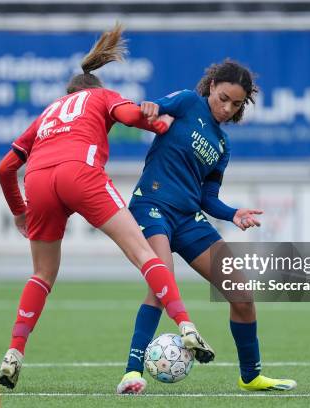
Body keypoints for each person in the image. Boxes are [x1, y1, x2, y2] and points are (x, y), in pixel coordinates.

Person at [0, 24, 215, 390]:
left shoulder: (48, 113)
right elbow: (131, 117)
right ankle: (187, 327)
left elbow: (5, 168)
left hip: (37, 180)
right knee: (144, 254)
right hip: (79, 172)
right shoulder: (100, 97)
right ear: (93, 89)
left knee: (42, 275)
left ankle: (13, 352)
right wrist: (161, 127)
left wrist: (20, 210)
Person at [116, 60, 297, 394]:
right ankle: (131, 373)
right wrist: (151, 108)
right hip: (151, 205)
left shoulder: (222, 147)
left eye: (236, 104)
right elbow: (148, 112)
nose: (227, 108)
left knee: (241, 294)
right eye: (223, 98)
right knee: (162, 282)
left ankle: (251, 376)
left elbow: (207, 198)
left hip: (188, 219)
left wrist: (232, 214)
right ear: (212, 85)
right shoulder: (187, 102)